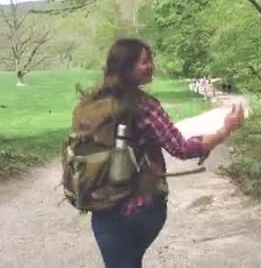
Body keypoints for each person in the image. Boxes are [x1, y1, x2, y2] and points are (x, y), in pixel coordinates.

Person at [81, 38, 245, 268]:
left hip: (102, 209)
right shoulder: (145, 106)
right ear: (127, 67)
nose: (151, 66)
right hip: (140, 209)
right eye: (144, 62)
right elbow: (181, 148)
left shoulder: (91, 104)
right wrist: (225, 129)